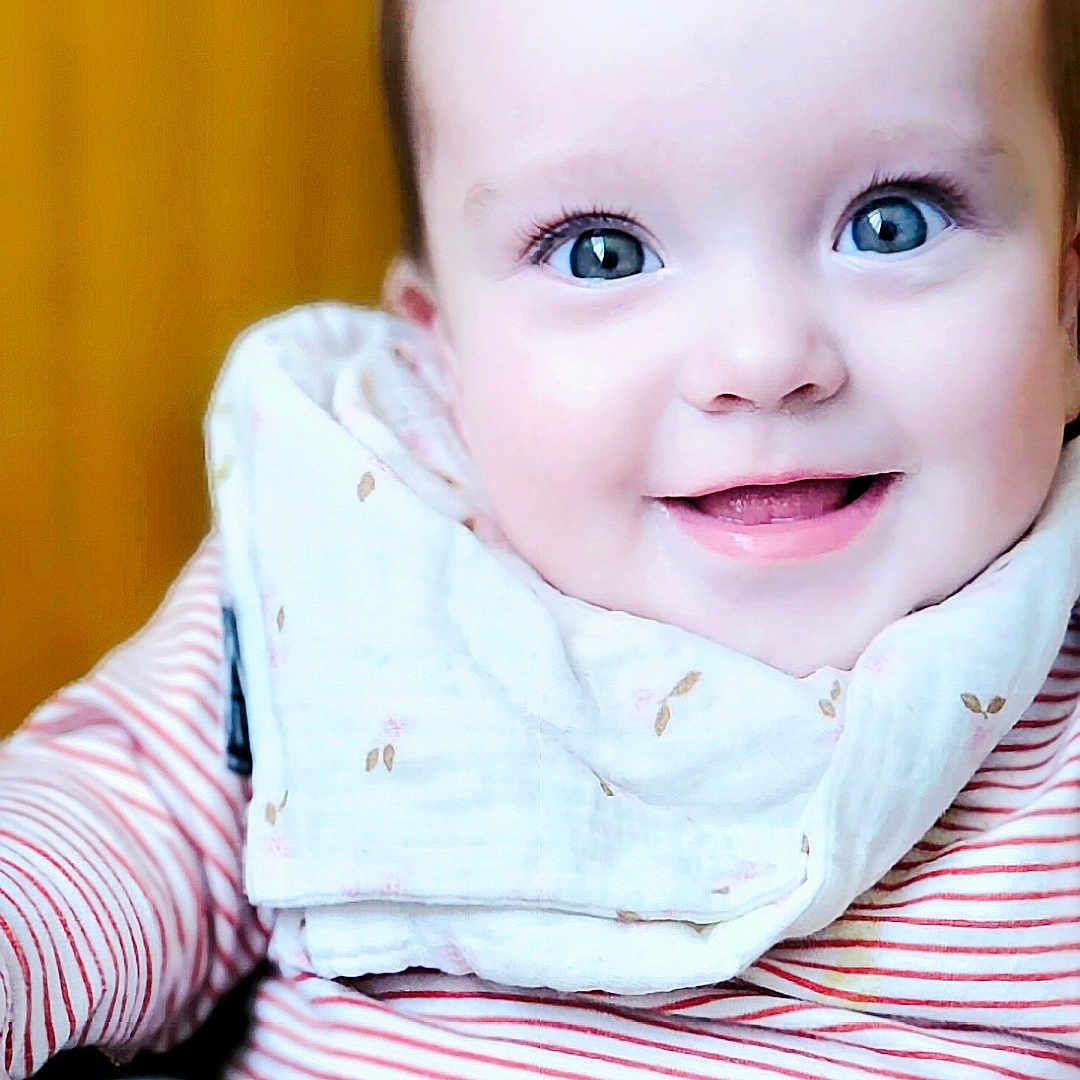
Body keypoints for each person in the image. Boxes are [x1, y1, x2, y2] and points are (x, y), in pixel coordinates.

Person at [3, 1, 1080, 1077]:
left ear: (1067, 303)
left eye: (893, 221)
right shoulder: (371, 549)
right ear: (447, 355)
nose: (761, 357)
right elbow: (110, 817)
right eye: (603, 253)